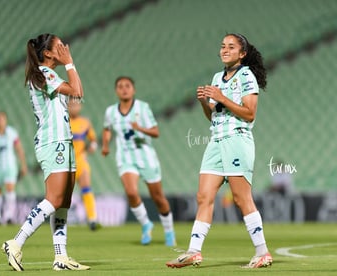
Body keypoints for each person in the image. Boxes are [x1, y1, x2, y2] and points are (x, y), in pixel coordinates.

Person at [166, 33, 272, 269]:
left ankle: (263, 252)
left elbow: (250, 113)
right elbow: (213, 116)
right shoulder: (217, 77)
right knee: (203, 196)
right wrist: (206, 102)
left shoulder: (246, 76)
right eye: (223, 46)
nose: (225, 50)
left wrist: (221, 97)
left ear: (242, 53)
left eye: (231, 47)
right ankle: (194, 251)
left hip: (237, 140)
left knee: (240, 198)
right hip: (216, 141)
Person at [1, 33, 89, 271]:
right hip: (54, 142)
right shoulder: (45, 74)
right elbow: (77, 91)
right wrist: (70, 61)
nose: (64, 48)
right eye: (59, 46)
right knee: (54, 199)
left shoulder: (47, 75)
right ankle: (15, 242)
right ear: (48, 53)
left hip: (63, 140)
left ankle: (61, 257)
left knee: (63, 203)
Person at [101, 76, 176, 246]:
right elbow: (106, 129)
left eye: (127, 86)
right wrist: (105, 145)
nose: (124, 89)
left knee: (158, 197)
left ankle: (169, 230)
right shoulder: (111, 111)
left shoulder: (142, 108)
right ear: (116, 91)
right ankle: (146, 224)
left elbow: (156, 132)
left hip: (146, 157)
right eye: (120, 86)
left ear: (133, 89)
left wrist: (140, 128)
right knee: (131, 192)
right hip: (126, 157)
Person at [68, 101, 100, 230]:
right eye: (71, 105)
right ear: (67, 106)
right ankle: (61, 220)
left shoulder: (85, 122)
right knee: (63, 193)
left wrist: (93, 146)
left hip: (80, 160)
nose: (74, 107)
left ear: (80, 106)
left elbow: (93, 140)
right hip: (66, 162)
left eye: (76, 105)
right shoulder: (63, 121)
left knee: (86, 187)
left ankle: (92, 219)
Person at [0, 111, 28, 225]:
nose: (0, 121)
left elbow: (19, 149)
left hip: (9, 166)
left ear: (6, 120)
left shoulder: (12, 132)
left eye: (2, 119)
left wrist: (23, 164)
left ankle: (9, 216)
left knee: (10, 189)